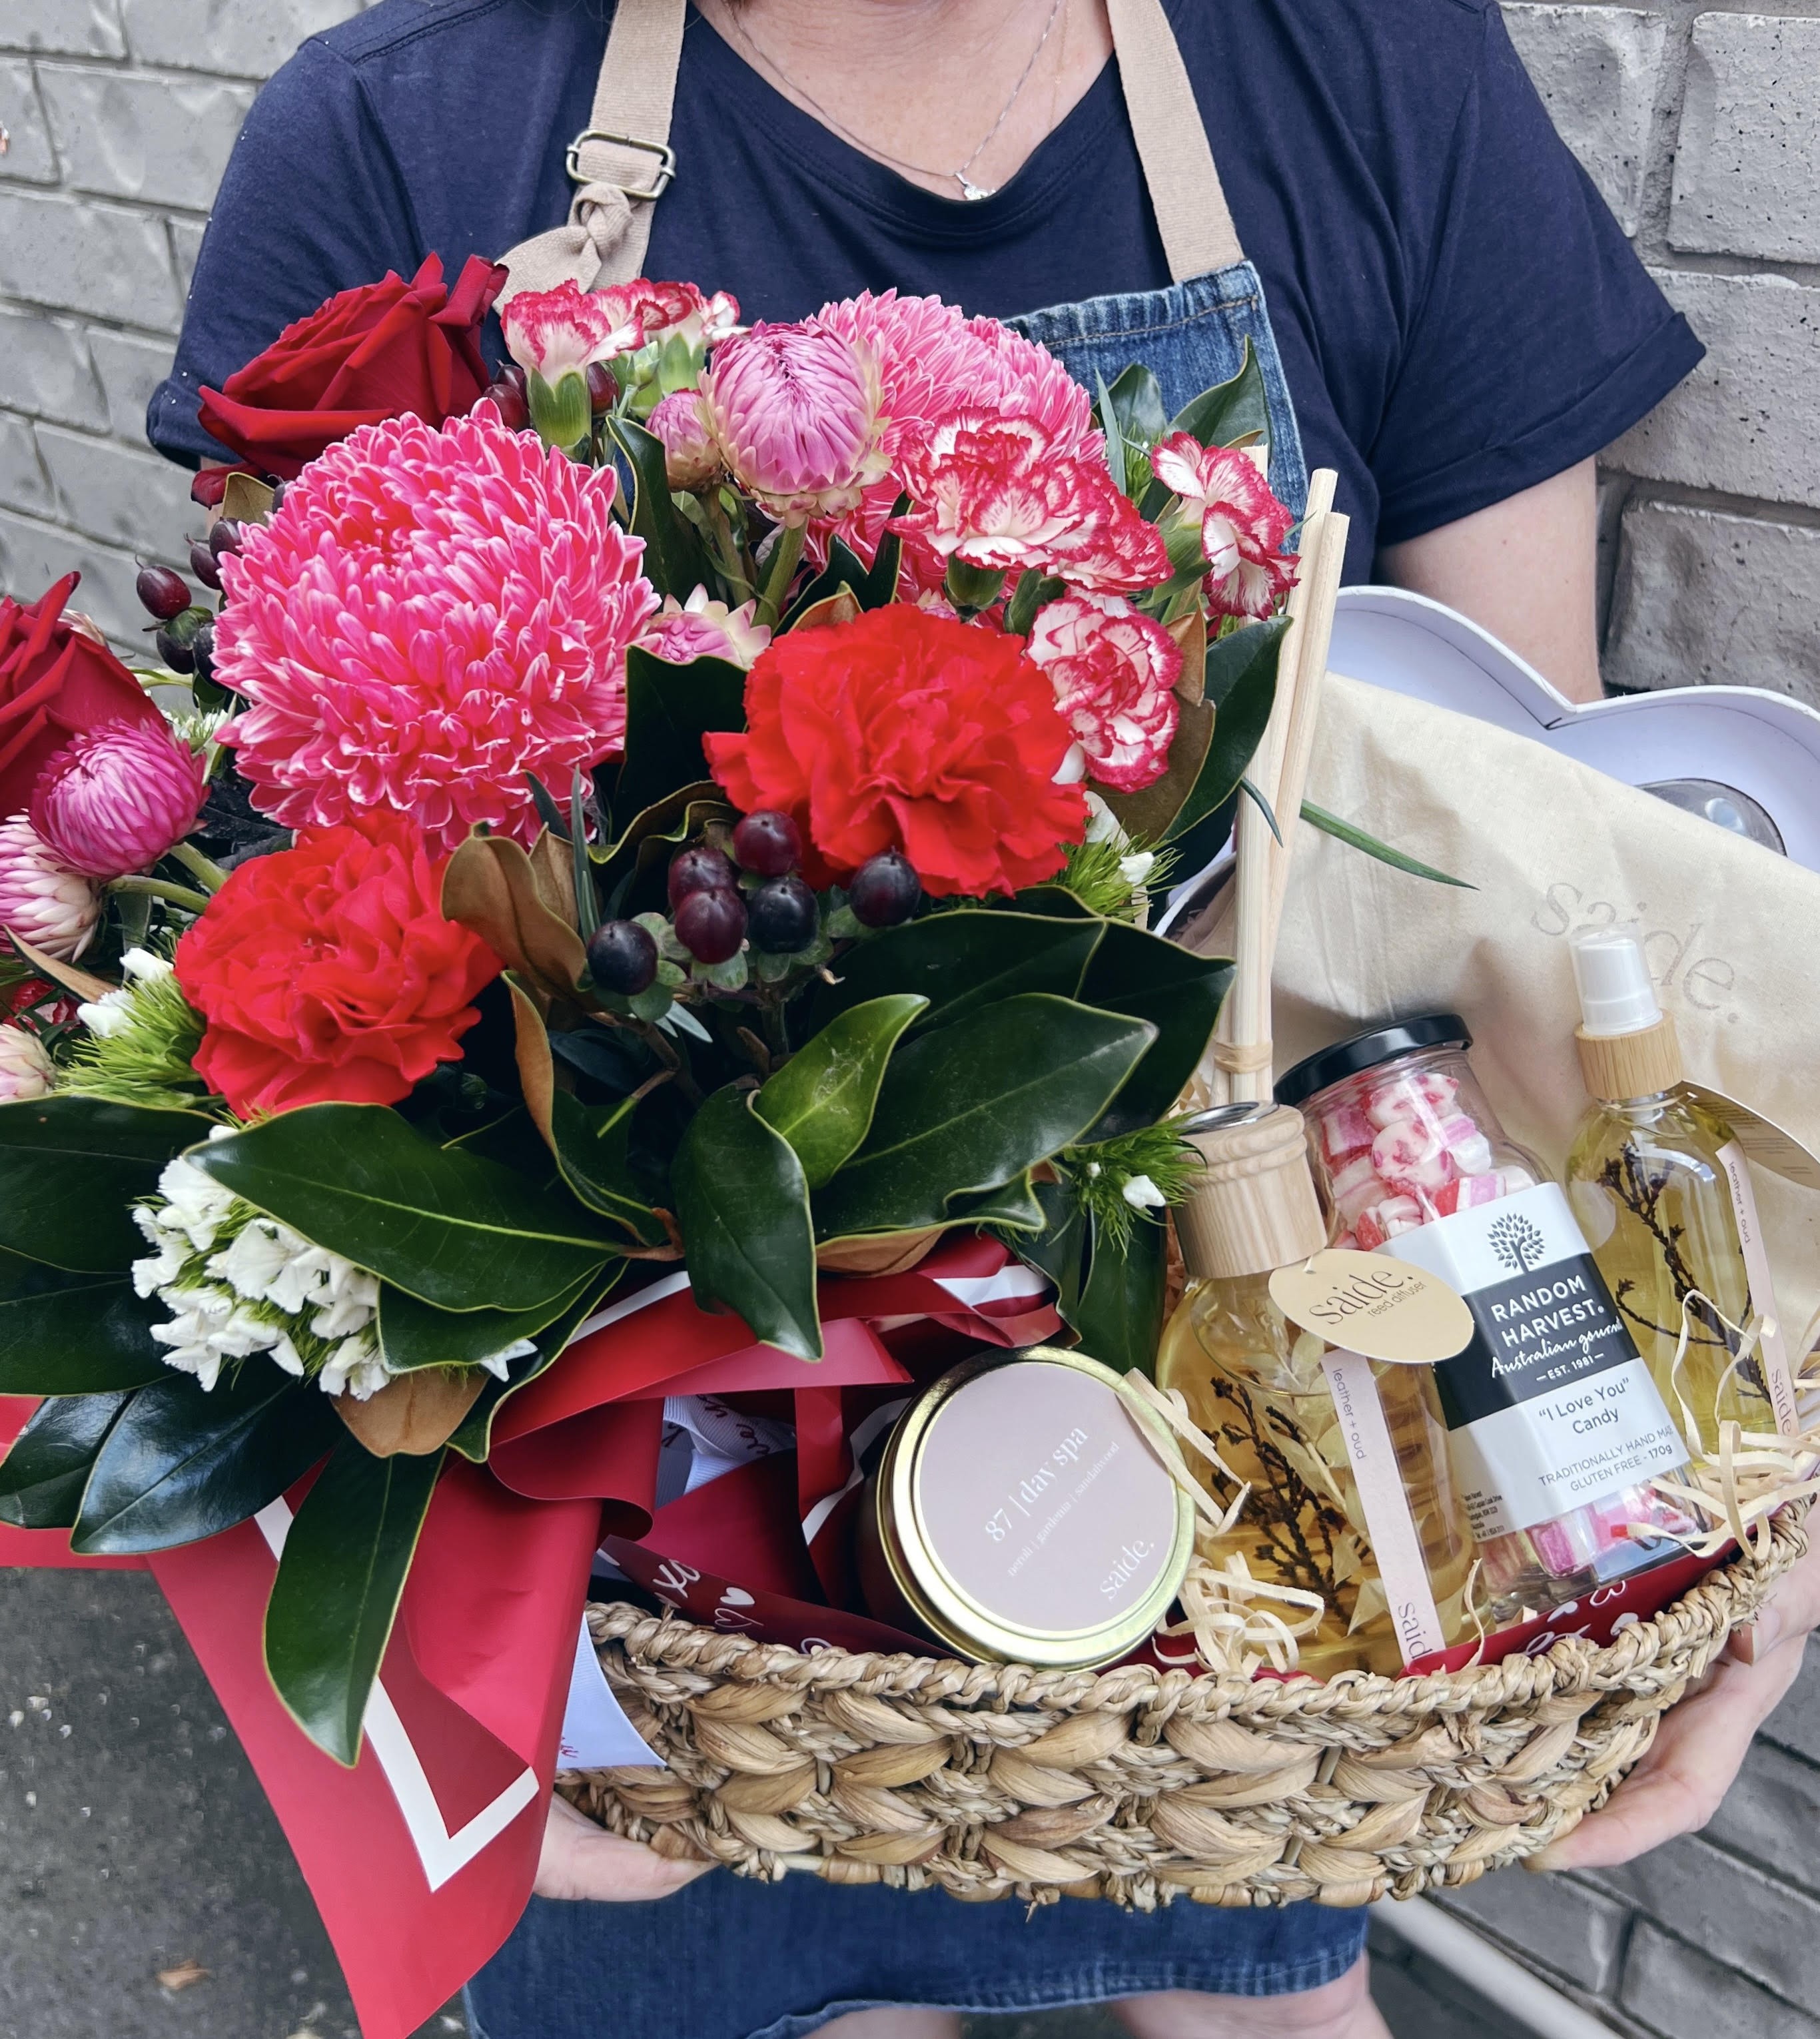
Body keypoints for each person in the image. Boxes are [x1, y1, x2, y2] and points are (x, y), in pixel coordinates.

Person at [145, 2, 1820, 2034]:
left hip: (1262, 1515)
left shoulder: (1360, 63)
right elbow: (256, 978)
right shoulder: (401, 126)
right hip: (674, 1586)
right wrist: (345, 1641)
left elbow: (1526, 937)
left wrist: (1699, 1538)